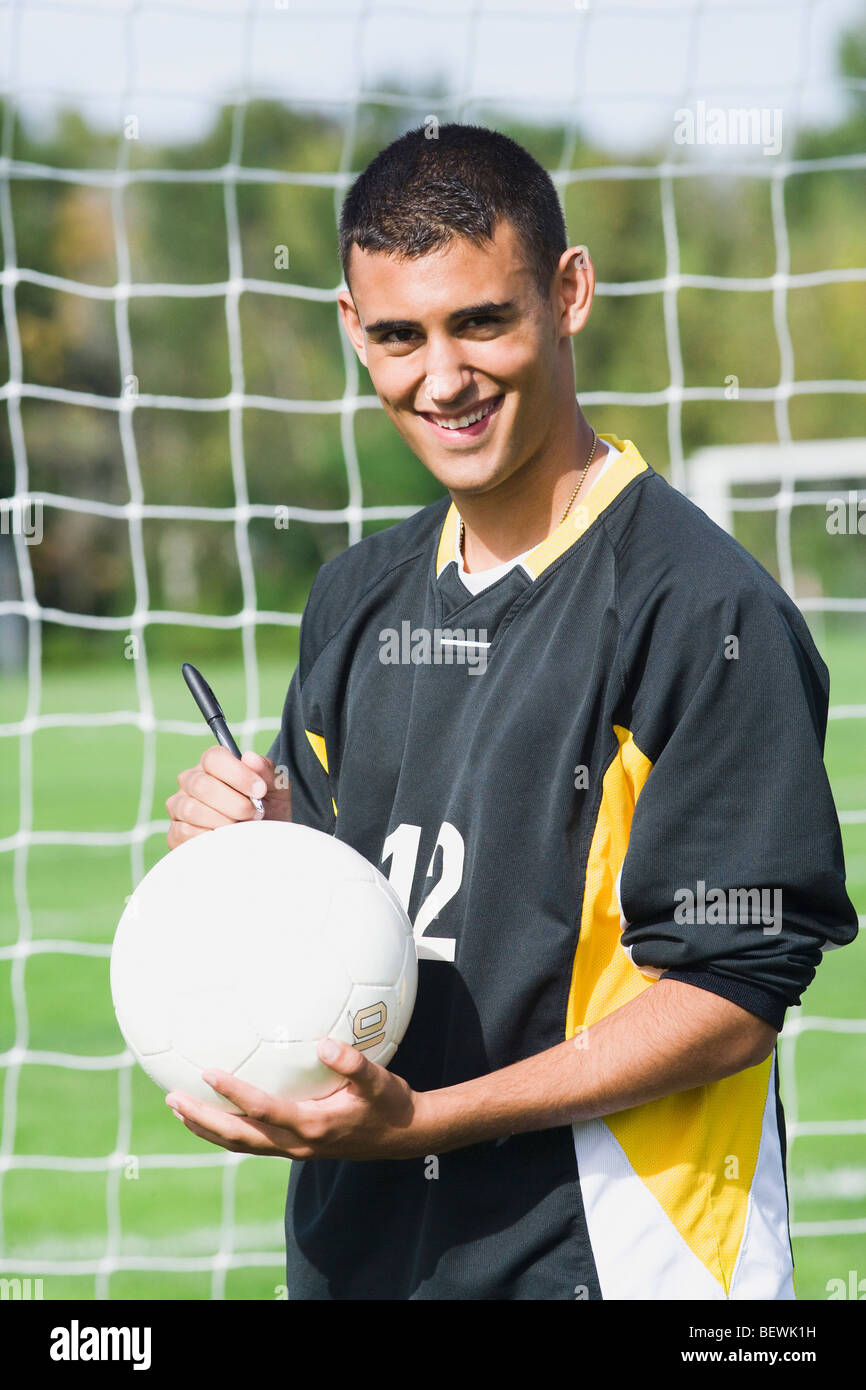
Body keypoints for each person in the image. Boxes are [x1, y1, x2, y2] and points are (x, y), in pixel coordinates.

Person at [164, 123, 858, 1300]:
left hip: (614, 1265)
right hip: (358, 1261)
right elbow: (352, 927)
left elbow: (731, 998)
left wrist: (428, 1120)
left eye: (479, 321)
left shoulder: (702, 609)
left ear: (568, 292)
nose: (440, 378)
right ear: (352, 329)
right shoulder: (352, 597)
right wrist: (252, 846)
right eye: (397, 336)